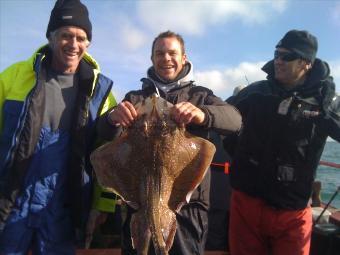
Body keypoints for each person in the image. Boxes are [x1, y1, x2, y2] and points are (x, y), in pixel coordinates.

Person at [106, 30, 242, 255]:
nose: (166, 58)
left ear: (183, 58)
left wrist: (202, 114)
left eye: (172, 53)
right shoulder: (135, 98)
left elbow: (235, 120)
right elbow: (106, 134)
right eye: (159, 53)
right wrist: (112, 118)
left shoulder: (200, 96)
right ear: (152, 59)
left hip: (186, 207)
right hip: (139, 203)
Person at [0, 0, 118, 254]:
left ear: (88, 43)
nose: (73, 44)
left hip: (63, 212)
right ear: (51, 37)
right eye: (66, 35)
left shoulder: (103, 93)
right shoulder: (13, 77)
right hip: (9, 205)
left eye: (81, 37)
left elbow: (109, 155)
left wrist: (104, 205)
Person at [224, 29, 340, 255]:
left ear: (306, 63)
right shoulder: (257, 91)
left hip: (292, 212)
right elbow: (222, 114)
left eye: (287, 56)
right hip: (246, 203)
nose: (278, 60)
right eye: (277, 54)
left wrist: (326, 111)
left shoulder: (325, 103)